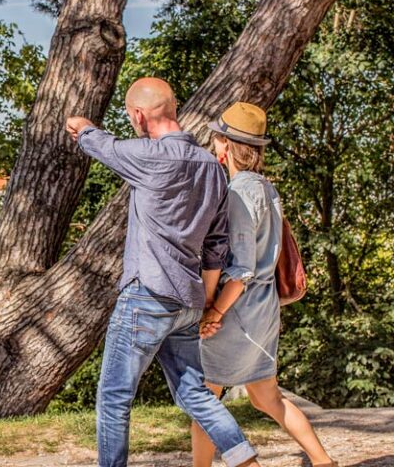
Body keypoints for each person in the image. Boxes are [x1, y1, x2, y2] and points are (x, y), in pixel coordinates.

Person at [66, 78, 261, 467]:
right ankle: (246, 461)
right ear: (173, 109)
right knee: (196, 394)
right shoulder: (211, 167)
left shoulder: (147, 156)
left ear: (139, 116)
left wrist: (80, 125)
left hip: (147, 296)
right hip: (187, 301)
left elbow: (99, 143)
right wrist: (206, 301)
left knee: (115, 396)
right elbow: (215, 246)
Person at [191, 102, 336, 467]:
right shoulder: (266, 187)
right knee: (266, 397)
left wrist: (214, 312)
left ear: (225, 145)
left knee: (204, 400)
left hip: (237, 310)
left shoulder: (239, 191)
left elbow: (240, 269)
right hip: (264, 308)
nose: (214, 145)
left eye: (217, 139)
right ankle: (322, 462)